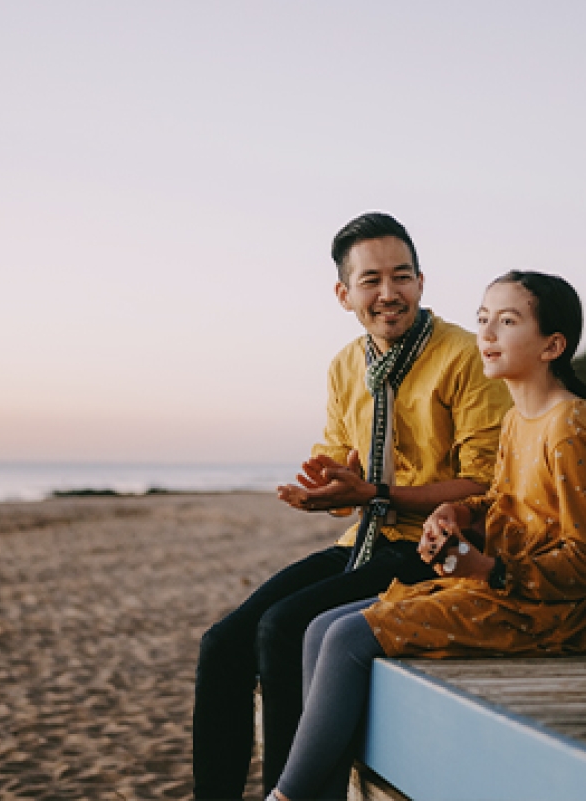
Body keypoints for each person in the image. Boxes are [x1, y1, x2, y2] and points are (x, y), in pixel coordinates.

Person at [268, 270, 586, 801]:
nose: (485, 334)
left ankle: (285, 797)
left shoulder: (570, 426)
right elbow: (505, 503)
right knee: (320, 628)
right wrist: (457, 514)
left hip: (562, 611)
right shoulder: (517, 420)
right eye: (483, 319)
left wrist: (488, 570)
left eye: (507, 322)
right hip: (512, 588)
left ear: (552, 345)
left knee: (347, 637)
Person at [192, 212, 511, 800]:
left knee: (283, 628)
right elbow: (343, 469)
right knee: (222, 644)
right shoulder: (346, 365)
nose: (388, 293)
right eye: (370, 280)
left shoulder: (465, 356)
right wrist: (325, 490)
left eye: (402, 276)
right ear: (344, 294)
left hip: (436, 550)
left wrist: (375, 495)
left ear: (421, 281)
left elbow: (484, 488)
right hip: (363, 541)